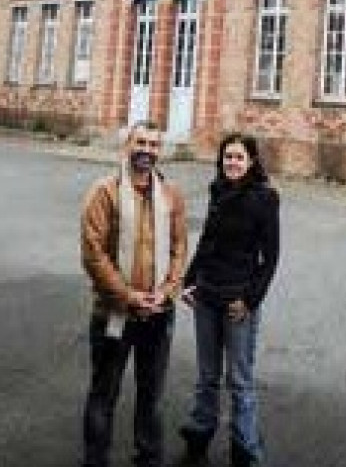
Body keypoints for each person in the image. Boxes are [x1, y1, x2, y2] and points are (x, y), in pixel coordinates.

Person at [79, 122, 189, 467]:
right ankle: (95, 459)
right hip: (114, 311)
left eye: (154, 144)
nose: (147, 149)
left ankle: (148, 457)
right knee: (104, 394)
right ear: (127, 144)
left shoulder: (170, 194)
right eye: (141, 141)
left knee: (151, 396)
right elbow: (93, 254)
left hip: (158, 313)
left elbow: (179, 248)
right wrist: (127, 296)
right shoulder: (104, 191)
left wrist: (169, 290)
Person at [177, 133, 281, 467]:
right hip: (207, 297)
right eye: (227, 156)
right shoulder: (218, 191)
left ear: (251, 161)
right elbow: (207, 240)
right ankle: (199, 434)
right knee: (207, 376)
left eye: (238, 157)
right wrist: (189, 281)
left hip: (239, 303)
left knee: (239, 379)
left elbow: (271, 257)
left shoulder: (265, 199)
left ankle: (246, 448)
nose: (232, 162)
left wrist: (251, 300)